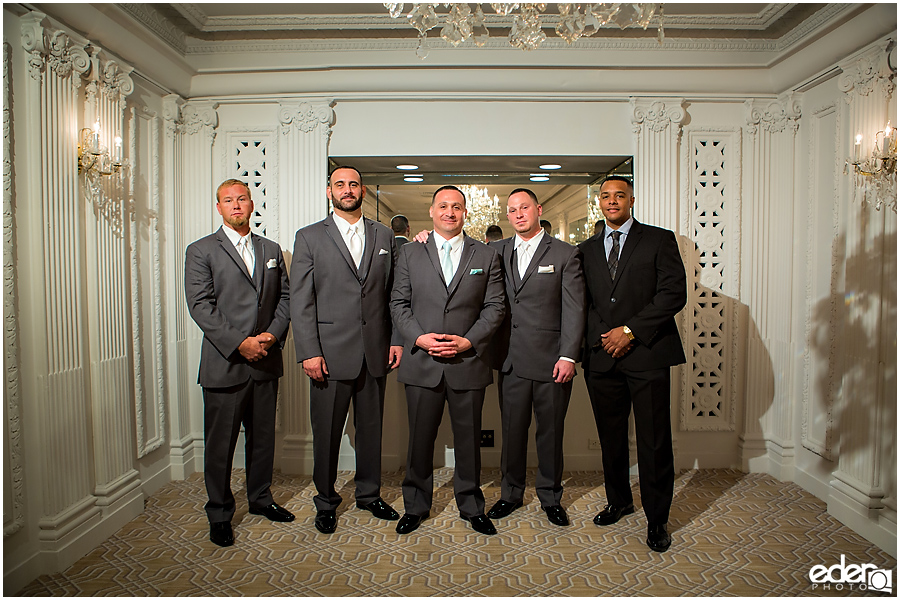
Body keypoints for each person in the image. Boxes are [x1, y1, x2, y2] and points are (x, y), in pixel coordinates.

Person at [291, 165, 403, 535]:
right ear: (330, 192)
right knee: (326, 433)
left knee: (371, 430)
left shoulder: (384, 234)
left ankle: (369, 495)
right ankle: (325, 502)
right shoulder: (309, 237)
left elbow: (393, 295)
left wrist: (396, 339)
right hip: (327, 354)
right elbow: (301, 300)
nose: (347, 189)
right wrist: (308, 351)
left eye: (354, 184)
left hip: (375, 352)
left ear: (363, 191)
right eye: (340, 184)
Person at [389, 185, 506, 536]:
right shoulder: (410, 253)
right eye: (443, 206)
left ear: (465, 213)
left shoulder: (485, 256)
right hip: (422, 363)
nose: (449, 213)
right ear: (432, 211)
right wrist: (420, 339)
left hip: (467, 362)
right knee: (419, 441)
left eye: (457, 207)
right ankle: (415, 506)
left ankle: (471, 505)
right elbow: (398, 303)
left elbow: (495, 306)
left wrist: (469, 341)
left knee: (469, 441)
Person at [578, 176, 686, 552]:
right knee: (611, 439)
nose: (611, 202)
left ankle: (657, 521)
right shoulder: (586, 249)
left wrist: (629, 331)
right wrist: (605, 337)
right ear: (600, 203)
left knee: (654, 442)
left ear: (632, 200)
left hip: (648, 354)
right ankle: (620, 501)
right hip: (601, 357)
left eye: (618, 196)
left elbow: (674, 293)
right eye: (605, 197)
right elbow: (585, 303)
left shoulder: (659, 239)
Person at [184, 178, 294, 548]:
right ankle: (219, 513)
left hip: (265, 359)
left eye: (241, 199)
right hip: (225, 364)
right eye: (227, 200)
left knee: (262, 440)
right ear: (219, 208)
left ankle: (261, 500)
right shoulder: (200, 250)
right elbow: (201, 306)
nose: (236, 205)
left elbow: (286, 299)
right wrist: (240, 343)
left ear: (251, 203)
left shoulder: (271, 248)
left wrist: (271, 337)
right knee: (221, 446)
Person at [485, 189, 585, 527]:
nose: (518, 214)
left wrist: (569, 355)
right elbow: (459, 254)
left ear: (538, 209)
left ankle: (550, 496)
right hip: (510, 360)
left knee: (550, 433)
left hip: (551, 361)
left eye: (523, 207)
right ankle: (510, 494)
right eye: (511, 210)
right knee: (512, 433)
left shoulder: (565, 253)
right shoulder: (495, 251)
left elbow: (575, 309)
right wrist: (425, 237)